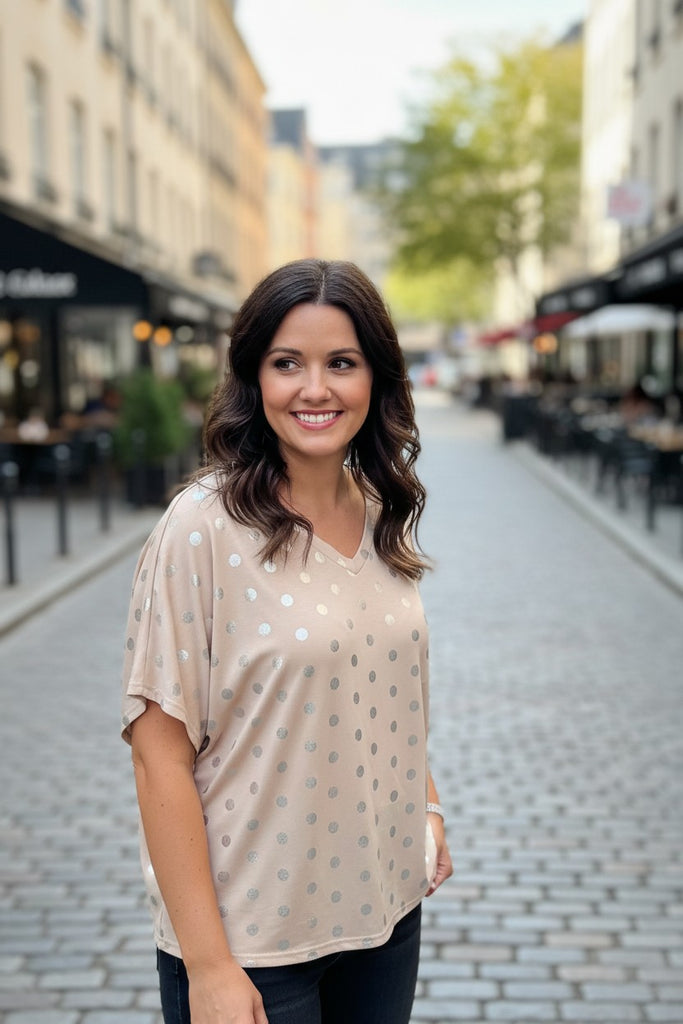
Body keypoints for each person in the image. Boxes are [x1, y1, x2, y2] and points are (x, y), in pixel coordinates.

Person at [121, 258, 453, 1024]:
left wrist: (428, 806)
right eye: (286, 364)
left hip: (384, 915)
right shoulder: (201, 528)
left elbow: (377, 690)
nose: (314, 388)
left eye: (341, 363)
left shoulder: (379, 510)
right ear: (253, 378)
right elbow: (158, 756)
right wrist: (209, 967)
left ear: (375, 378)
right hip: (252, 941)